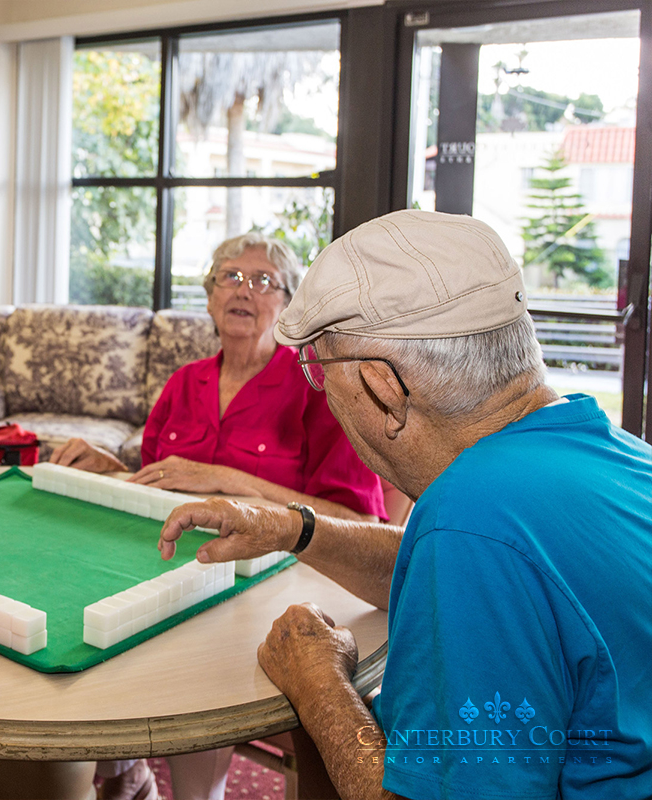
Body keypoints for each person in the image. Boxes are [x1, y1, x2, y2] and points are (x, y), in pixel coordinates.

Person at [158, 210, 652, 800]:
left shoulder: (468, 521)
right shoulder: (609, 450)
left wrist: (320, 687)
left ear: (382, 387)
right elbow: (485, 569)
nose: (317, 389)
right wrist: (291, 528)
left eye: (318, 371)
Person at [50, 233, 388, 800]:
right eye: (229, 277)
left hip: (262, 592)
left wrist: (230, 483)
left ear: (286, 305)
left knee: (195, 666)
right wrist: (105, 467)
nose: (243, 290)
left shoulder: (316, 390)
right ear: (208, 297)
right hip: (162, 573)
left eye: (262, 281)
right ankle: (123, 771)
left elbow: (358, 525)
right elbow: (157, 485)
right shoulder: (185, 383)